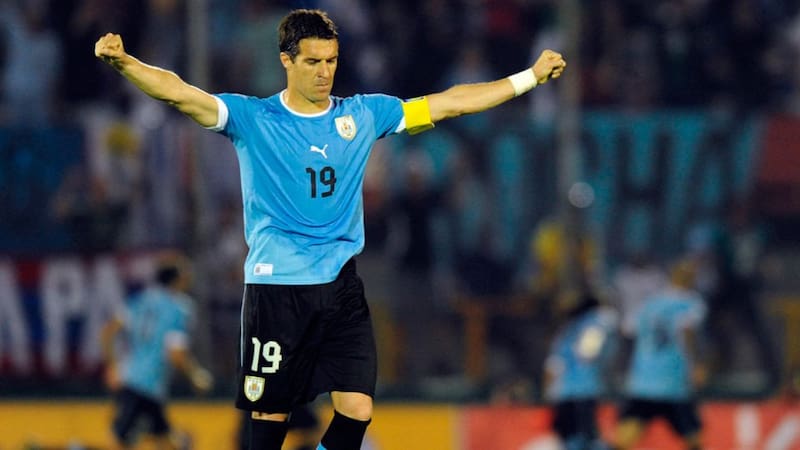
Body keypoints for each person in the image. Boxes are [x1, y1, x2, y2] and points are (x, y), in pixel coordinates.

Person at [94, 8, 566, 450]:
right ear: (286, 61)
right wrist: (124, 63)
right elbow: (179, 92)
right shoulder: (254, 119)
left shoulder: (361, 115)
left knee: (357, 410)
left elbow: (449, 104)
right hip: (278, 287)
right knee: (270, 421)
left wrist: (527, 78)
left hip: (341, 285)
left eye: (332, 61)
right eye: (313, 61)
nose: (325, 72)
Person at [101, 253, 213, 450]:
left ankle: (179, 443)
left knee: (157, 438)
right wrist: (195, 375)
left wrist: (113, 366)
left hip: (132, 378)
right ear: (177, 279)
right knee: (120, 441)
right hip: (146, 384)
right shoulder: (179, 308)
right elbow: (176, 353)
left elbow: (108, 333)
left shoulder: (139, 300)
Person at [612, 259, 707, 450]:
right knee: (693, 439)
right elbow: (687, 332)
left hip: (643, 382)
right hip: (673, 382)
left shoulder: (650, 304)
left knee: (625, 437)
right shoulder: (692, 303)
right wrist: (696, 364)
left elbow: (627, 329)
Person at [543, 291, 618, 450]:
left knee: (569, 438)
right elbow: (587, 353)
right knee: (587, 438)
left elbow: (553, 365)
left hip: (562, 392)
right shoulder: (597, 321)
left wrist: (549, 393)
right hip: (584, 389)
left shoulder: (566, 330)